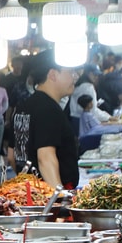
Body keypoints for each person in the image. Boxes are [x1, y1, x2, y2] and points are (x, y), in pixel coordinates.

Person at [12, 50, 79, 190]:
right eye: (70, 72)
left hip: (28, 191)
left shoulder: (23, 106)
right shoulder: (49, 109)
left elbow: (11, 156)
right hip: (48, 194)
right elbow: (45, 158)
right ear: (52, 74)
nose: (75, 77)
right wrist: (59, 197)